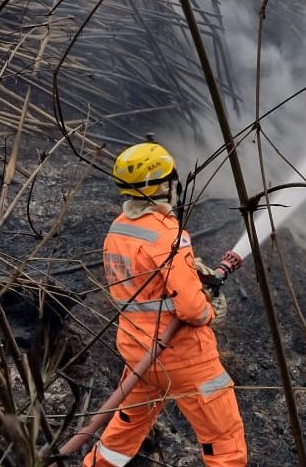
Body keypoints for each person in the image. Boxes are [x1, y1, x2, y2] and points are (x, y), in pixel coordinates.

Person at [82, 142, 247, 467]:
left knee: (119, 439)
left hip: (140, 359)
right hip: (187, 361)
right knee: (225, 445)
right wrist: (210, 310)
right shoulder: (168, 236)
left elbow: (145, 287)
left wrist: (187, 271)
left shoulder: (118, 230)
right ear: (160, 186)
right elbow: (190, 309)